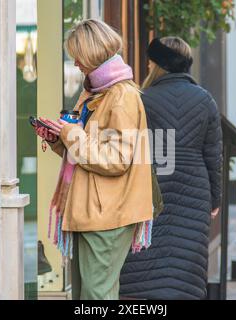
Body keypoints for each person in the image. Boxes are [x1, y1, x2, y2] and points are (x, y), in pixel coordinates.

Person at [35, 19, 153, 300]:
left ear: (91, 53)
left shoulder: (121, 96)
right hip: (94, 210)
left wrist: (70, 133)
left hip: (107, 213)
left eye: (78, 56)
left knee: (96, 295)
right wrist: (57, 139)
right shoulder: (95, 91)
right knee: (88, 294)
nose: (75, 63)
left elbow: (116, 159)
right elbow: (87, 150)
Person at [119, 37, 223, 300]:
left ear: (154, 64)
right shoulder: (205, 100)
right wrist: (215, 199)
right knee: (185, 263)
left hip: (151, 188)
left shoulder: (141, 100)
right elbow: (213, 155)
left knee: (147, 261)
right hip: (194, 190)